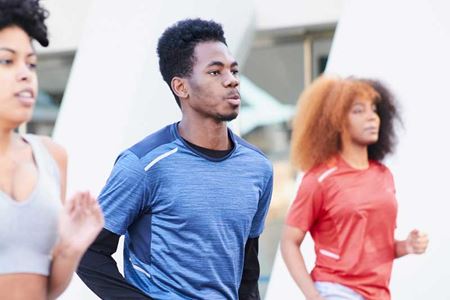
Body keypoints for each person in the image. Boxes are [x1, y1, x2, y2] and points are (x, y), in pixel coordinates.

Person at [77, 18, 273, 300]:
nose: (232, 80)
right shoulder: (143, 164)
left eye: (233, 69)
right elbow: (89, 252)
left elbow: (248, 265)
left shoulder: (258, 167)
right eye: (215, 72)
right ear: (181, 87)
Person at [280, 76, 429, 300]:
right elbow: (289, 241)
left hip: (379, 293)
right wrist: (313, 296)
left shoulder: (383, 175)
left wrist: (406, 245)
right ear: (338, 121)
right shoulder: (320, 179)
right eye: (358, 110)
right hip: (336, 290)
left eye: (374, 110)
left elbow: (375, 248)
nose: (372, 117)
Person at [0, 0, 104, 299]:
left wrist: (70, 248)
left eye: (30, 63)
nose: (25, 74)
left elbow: (45, 289)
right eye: (7, 60)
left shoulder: (51, 157)